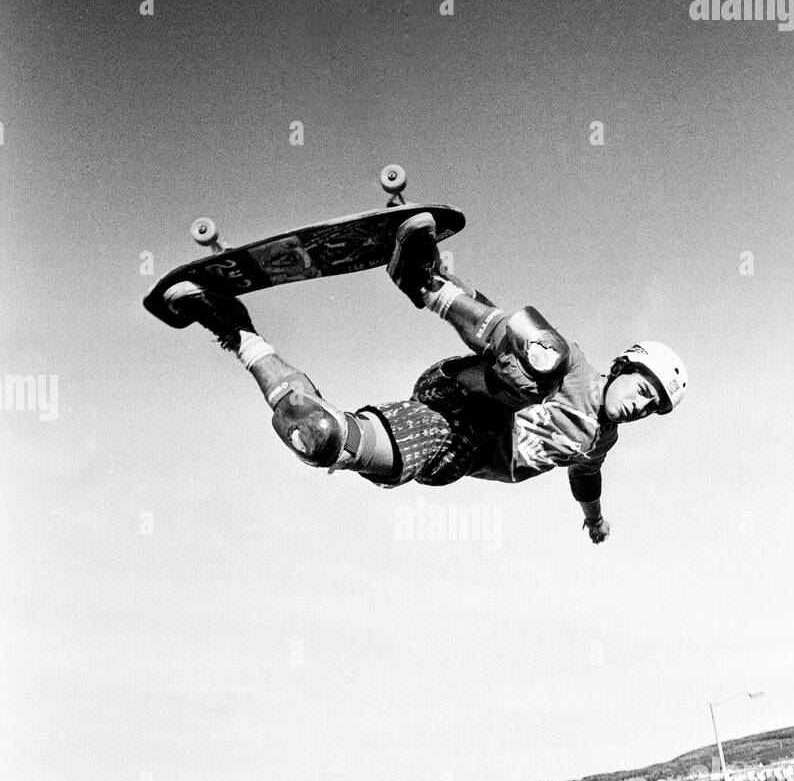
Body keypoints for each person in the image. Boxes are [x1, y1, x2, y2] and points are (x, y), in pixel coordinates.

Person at [161, 216, 687, 545]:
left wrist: (594, 520)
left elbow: (585, 478)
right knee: (539, 359)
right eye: (644, 390)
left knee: (320, 439)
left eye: (653, 408)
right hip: (462, 390)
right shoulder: (576, 366)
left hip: (452, 443)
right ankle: (427, 284)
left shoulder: (601, 441)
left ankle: (234, 330)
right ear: (624, 366)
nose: (642, 406)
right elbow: (509, 332)